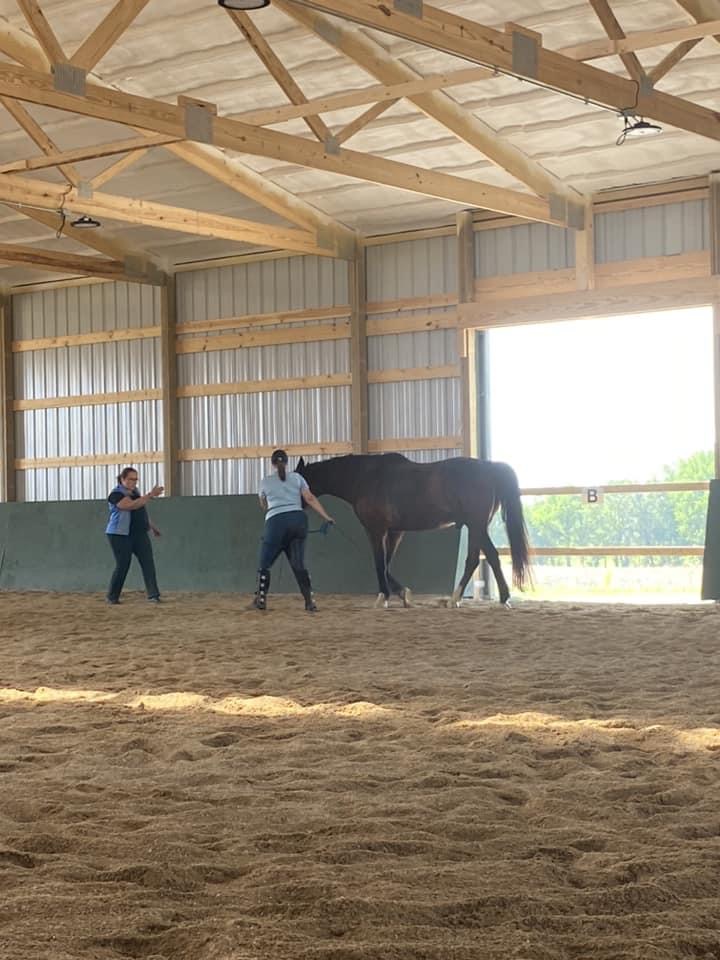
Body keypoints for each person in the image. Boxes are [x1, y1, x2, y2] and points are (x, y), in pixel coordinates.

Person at [254, 449, 334, 613]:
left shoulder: (265, 482)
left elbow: (263, 505)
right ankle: (310, 601)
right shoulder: (297, 478)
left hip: (275, 522)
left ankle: (261, 599)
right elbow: (309, 498)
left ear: (273, 464)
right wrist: (326, 517)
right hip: (298, 520)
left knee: (264, 564)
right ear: (287, 462)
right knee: (299, 564)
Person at [105, 467, 164, 604]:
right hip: (119, 535)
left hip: (139, 534)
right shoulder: (115, 494)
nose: (134, 482)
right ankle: (112, 596)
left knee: (148, 562)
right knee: (123, 565)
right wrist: (150, 495)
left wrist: (152, 527)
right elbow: (131, 505)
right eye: (131, 479)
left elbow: (140, 510)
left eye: (136, 479)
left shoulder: (136, 492)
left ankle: (153, 595)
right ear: (122, 479)